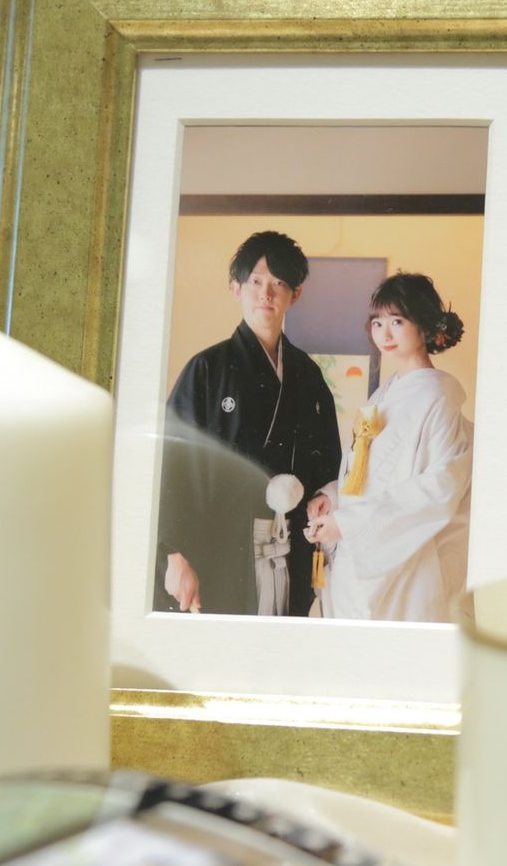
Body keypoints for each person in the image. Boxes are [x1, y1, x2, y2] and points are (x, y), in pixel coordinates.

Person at [156, 231, 341, 616]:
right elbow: (171, 464)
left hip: (291, 545)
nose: (266, 294)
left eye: (279, 284)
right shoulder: (207, 369)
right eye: (256, 281)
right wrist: (174, 554)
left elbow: (327, 462)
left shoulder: (307, 374)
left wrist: (325, 505)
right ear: (235, 288)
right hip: (223, 549)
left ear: (295, 295)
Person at [305, 272, 473, 622]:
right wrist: (333, 497)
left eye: (397, 321)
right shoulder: (385, 393)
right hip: (359, 554)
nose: (385, 333)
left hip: (405, 563)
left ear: (424, 326)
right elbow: (369, 474)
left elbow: (440, 487)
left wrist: (349, 524)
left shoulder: (437, 395)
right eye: (377, 322)